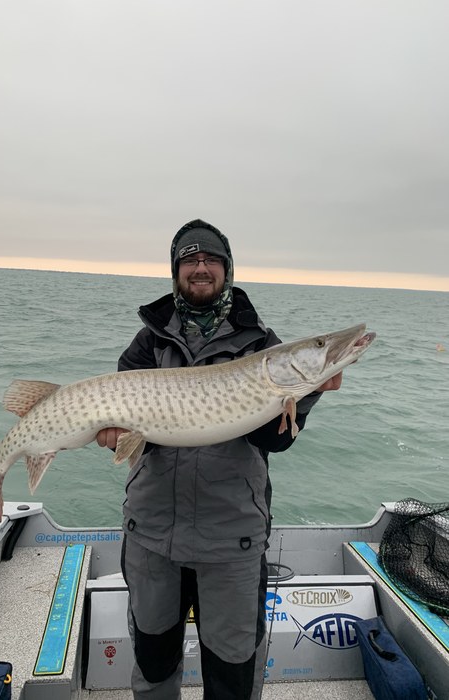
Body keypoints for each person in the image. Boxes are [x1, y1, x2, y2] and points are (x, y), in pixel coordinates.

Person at [97, 219, 342, 700]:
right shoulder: (147, 343)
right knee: (152, 661)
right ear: (176, 272)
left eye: (211, 259)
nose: (201, 268)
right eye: (190, 260)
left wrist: (306, 396)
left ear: (227, 271)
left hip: (232, 539)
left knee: (232, 673)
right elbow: (133, 438)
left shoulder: (261, 345)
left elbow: (274, 442)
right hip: (151, 534)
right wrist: (112, 437)